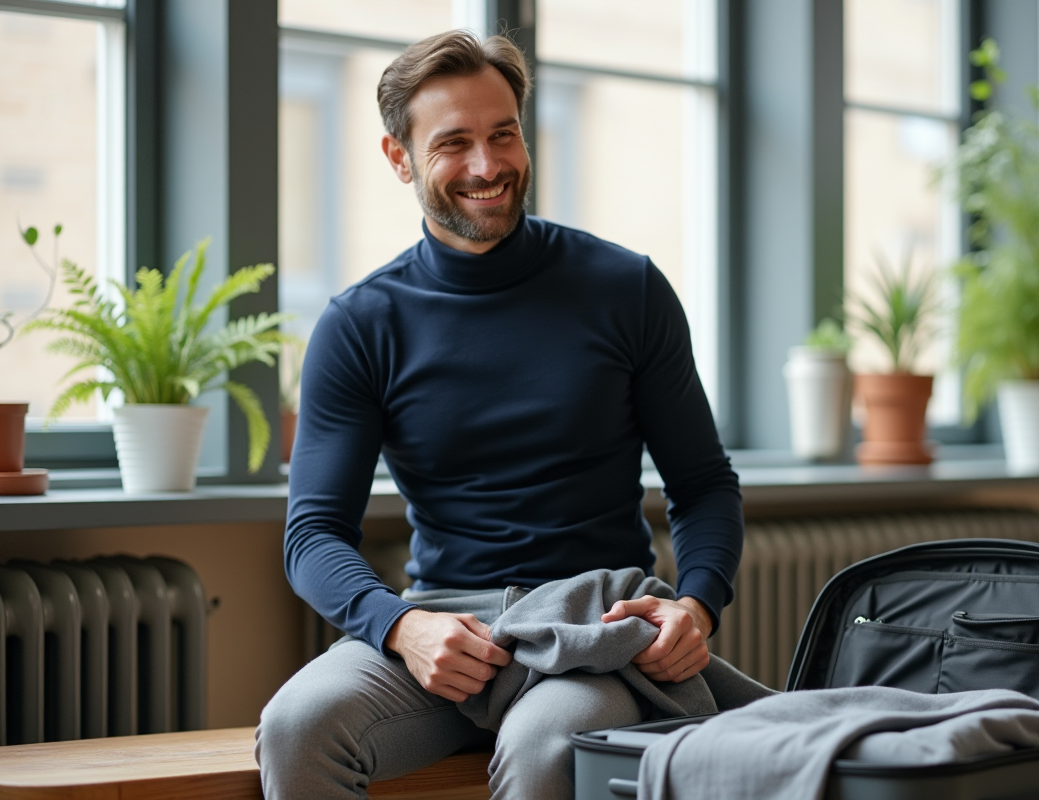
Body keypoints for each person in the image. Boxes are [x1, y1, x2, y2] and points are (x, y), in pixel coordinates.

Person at [255, 29, 743, 800]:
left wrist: (697, 604)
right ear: (399, 158)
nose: (488, 167)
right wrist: (400, 628)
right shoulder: (360, 324)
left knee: (546, 743)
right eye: (454, 143)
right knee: (296, 727)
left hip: (594, 629)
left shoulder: (628, 289)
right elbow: (312, 535)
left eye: (503, 133)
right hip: (444, 628)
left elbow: (704, 482)